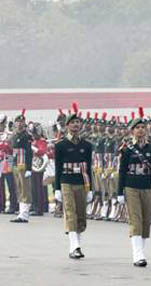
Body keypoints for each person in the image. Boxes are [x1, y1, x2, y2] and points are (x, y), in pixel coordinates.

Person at [117, 108, 151, 267]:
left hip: (148, 186)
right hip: (131, 186)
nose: (141, 130)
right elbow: (122, 170)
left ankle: (141, 252)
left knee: (145, 220)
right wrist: (119, 192)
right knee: (135, 219)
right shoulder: (126, 148)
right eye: (137, 127)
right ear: (132, 131)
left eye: (143, 127)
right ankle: (137, 254)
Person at [53, 106, 94, 259]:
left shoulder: (87, 145)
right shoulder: (61, 145)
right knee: (70, 212)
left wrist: (91, 189)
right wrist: (57, 188)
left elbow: (89, 168)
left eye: (78, 122)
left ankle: (77, 245)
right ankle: (74, 246)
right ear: (67, 126)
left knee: (81, 215)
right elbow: (58, 168)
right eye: (73, 122)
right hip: (66, 181)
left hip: (82, 181)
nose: (76, 125)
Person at [10, 110, 33, 223]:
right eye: (17, 121)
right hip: (15, 164)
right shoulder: (14, 135)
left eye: (21, 121)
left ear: (25, 123)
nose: (19, 124)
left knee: (25, 189)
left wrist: (29, 168)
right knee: (19, 189)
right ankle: (21, 213)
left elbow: (29, 152)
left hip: (23, 165)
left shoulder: (27, 136)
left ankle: (24, 214)